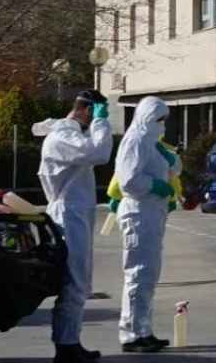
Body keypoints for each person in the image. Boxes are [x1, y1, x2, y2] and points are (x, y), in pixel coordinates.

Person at [35, 90, 113, 363]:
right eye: (100, 113)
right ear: (89, 111)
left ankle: (70, 341)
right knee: (75, 281)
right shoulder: (62, 138)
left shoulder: (68, 135)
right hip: (69, 215)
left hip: (75, 213)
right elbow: (99, 153)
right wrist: (102, 123)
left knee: (78, 281)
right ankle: (66, 346)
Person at [112, 96, 179, 353]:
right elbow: (128, 180)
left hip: (152, 213)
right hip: (138, 213)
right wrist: (155, 186)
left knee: (149, 275)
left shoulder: (151, 143)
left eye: (164, 120)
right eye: (158, 119)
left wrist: (170, 159)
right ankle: (130, 334)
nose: (162, 124)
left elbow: (174, 170)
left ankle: (144, 330)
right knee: (138, 273)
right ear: (146, 118)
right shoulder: (136, 141)